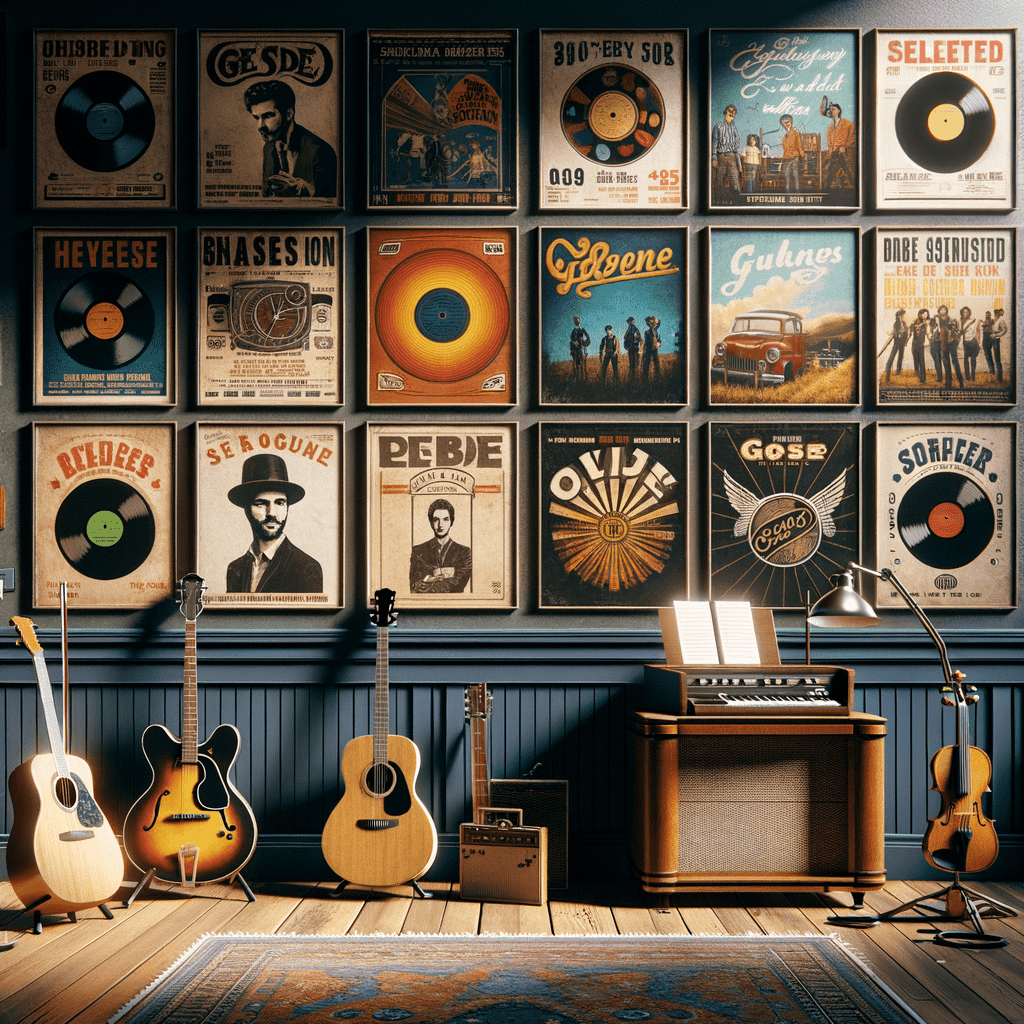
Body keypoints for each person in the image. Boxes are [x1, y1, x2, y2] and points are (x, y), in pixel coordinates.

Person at [225, 454, 323, 594]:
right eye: (261, 504)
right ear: (246, 509)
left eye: (279, 503)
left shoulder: (305, 567)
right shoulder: (235, 568)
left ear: (287, 507)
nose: (272, 513)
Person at [243, 79, 337, 199]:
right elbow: (266, 197)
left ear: (288, 113)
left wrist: (305, 190)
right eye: (256, 118)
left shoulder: (320, 151)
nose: (260, 126)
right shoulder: (268, 148)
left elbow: (329, 203)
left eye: (268, 116)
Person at [409, 498, 472, 594]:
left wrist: (430, 580)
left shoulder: (464, 552)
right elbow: (414, 585)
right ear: (431, 522)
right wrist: (447, 577)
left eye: (445, 519)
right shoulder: (418, 551)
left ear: (451, 521)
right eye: (436, 520)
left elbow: (457, 585)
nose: (440, 525)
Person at [822, 101, 855, 190]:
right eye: (830, 109)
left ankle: (853, 190)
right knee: (829, 172)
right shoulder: (830, 126)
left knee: (849, 172)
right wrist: (830, 151)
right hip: (834, 153)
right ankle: (825, 191)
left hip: (844, 152)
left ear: (839, 111)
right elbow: (829, 141)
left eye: (834, 109)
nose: (831, 111)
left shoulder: (848, 124)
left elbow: (852, 137)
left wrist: (845, 147)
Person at [711, 104, 741, 195]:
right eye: (729, 111)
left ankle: (736, 202)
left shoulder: (734, 128)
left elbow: (737, 140)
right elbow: (715, 141)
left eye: (733, 112)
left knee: (735, 181)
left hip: (732, 157)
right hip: (721, 156)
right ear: (725, 112)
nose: (731, 114)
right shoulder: (718, 126)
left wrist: (733, 148)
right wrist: (714, 157)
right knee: (720, 180)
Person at [933, 304, 963, 391]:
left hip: (951, 342)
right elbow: (935, 332)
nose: (943, 311)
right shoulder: (936, 320)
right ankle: (948, 383)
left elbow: (956, 330)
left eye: (944, 309)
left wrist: (956, 340)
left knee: (955, 361)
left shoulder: (951, 319)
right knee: (946, 363)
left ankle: (960, 381)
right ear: (939, 311)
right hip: (943, 343)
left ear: (946, 311)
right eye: (941, 310)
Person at [779, 115, 804, 193]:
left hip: (794, 157)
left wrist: (802, 155)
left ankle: (797, 193)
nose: (786, 125)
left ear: (791, 121)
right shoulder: (784, 137)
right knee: (787, 176)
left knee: (795, 175)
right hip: (786, 158)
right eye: (784, 124)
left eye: (787, 122)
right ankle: (787, 194)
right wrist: (782, 162)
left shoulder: (796, 133)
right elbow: (785, 150)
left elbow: (799, 145)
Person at [885, 309, 909, 382]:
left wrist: (905, 341)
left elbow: (906, 331)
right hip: (897, 342)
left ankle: (898, 371)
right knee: (892, 357)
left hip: (902, 342)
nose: (903, 316)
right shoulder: (896, 323)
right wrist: (898, 335)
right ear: (899, 316)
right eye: (902, 315)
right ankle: (887, 374)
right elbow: (895, 333)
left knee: (901, 356)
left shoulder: (904, 323)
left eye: (903, 315)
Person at [958, 306, 979, 381]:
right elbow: (960, 332)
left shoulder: (973, 320)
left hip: (972, 342)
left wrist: (978, 341)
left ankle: (973, 377)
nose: (965, 313)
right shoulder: (960, 321)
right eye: (964, 312)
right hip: (965, 342)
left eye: (967, 312)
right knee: (966, 360)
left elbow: (977, 331)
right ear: (961, 313)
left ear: (969, 313)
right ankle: (967, 377)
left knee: (973, 359)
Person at [910, 308, 930, 384]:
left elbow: (928, 333)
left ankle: (923, 380)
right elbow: (912, 333)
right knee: (916, 361)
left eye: (926, 314)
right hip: (914, 342)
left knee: (921, 361)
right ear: (920, 314)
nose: (925, 315)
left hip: (921, 343)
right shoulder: (914, 322)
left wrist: (928, 341)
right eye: (924, 314)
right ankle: (918, 377)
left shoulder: (927, 323)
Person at [989, 307, 1008, 382]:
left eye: (997, 314)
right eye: (995, 314)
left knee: (997, 359)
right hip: (992, 339)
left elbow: (1005, 330)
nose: (996, 315)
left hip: (996, 340)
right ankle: (994, 376)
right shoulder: (994, 321)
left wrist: (997, 335)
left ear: (999, 314)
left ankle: (1000, 378)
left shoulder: (1001, 320)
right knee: (993, 357)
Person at [569, 316, 590, 380]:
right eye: (575, 321)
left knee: (583, 365)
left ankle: (583, 379)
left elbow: (588, 338)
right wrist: (573, 344)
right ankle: (577, 379)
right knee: (576, 365)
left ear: (579, 321)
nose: (576, 322)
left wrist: (584, 344)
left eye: (577, 320)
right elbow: (571, 340)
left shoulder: (582, 329)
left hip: (582, 349)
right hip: (575, 349)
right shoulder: (573, 331)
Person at [642, 315, 662, 382]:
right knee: (646, 364)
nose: (649, 324)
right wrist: (643, 351)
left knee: (656, 363)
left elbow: (659, 322)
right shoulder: (646, 332)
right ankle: (645, 380)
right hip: (648, 349)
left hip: (654, 348)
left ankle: (658, 378)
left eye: (650, 322)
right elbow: (645, 343)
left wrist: (654, 318)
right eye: (648, 323)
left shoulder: (656, 329)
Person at [623, 316, 642, 383]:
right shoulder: (629, 329)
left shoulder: (635, 329)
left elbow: (639, 339)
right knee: (632, 364)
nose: (628, 322)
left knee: (635, 364)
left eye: (629, 321)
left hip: (634, 349)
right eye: (628, 321)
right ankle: (632, 378)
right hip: (631, 348)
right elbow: (625, 338)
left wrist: (639, 349)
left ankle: (635, 378)